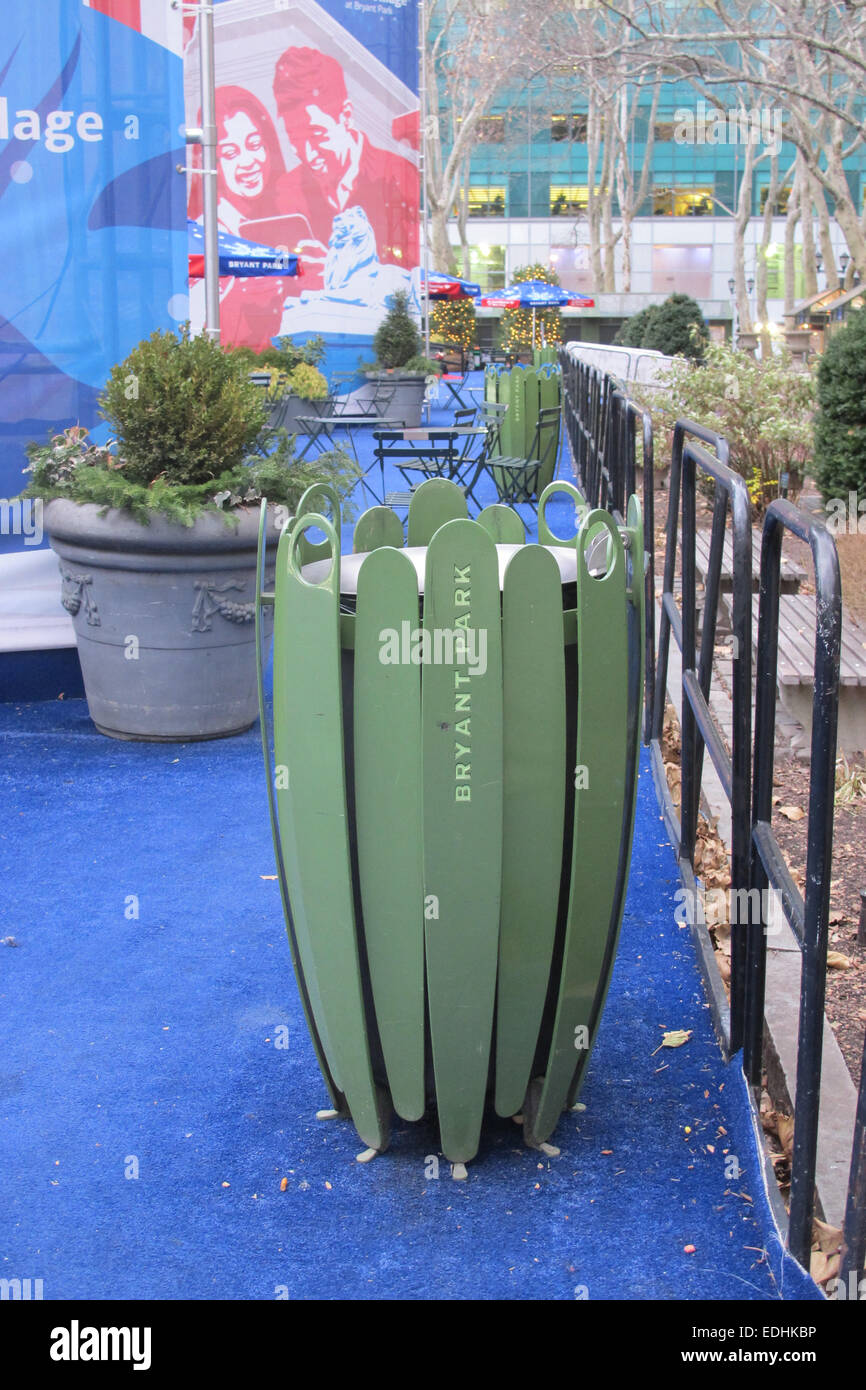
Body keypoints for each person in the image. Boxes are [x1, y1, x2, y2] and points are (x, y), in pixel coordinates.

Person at [272, 47, 418, 297]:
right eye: (294, 139)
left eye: (316, 135)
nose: (307, 153)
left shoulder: (399, 176)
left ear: (347, 116)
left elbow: (411, 277)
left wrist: (335, 271)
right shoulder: (286, 190)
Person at [188, 86, 304, 350]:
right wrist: (240, 296)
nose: (248, 161)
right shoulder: (204, 234)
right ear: (214, 164)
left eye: (255, 144)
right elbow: (194, 323)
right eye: (230, 153)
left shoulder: (292, 219)